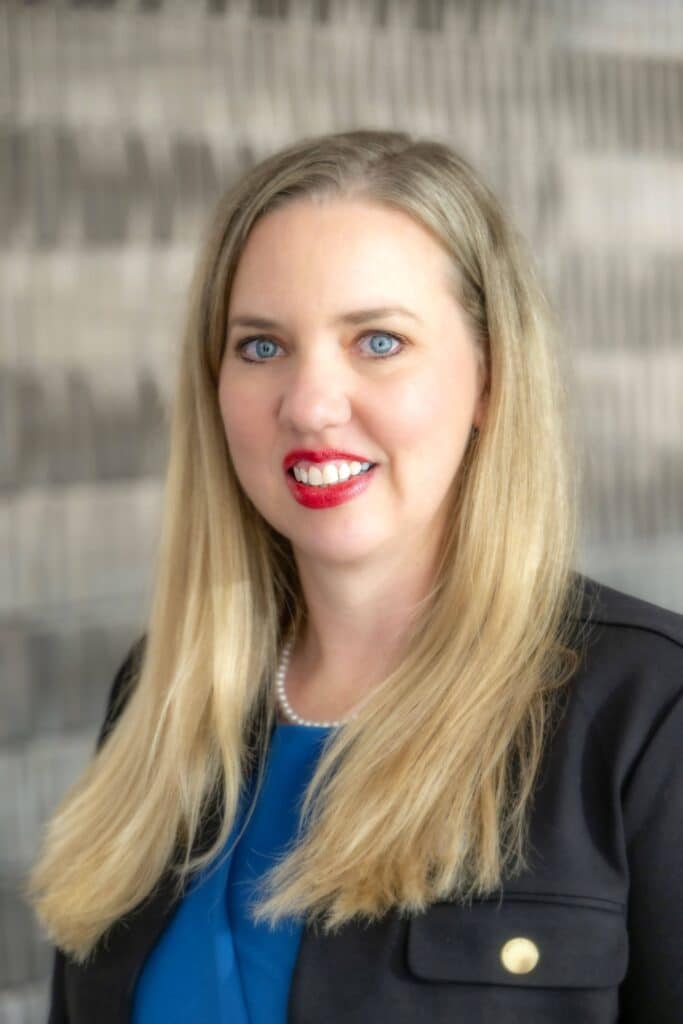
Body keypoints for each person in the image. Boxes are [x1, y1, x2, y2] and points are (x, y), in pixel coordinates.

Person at [27, 130, 683, 1023]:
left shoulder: (647, 711)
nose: (309, 404)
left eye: (377, 340)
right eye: (261, 347)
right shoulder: (163, 692)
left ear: (489, 379)